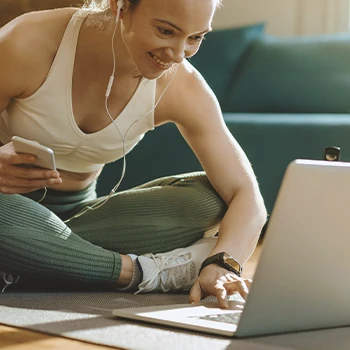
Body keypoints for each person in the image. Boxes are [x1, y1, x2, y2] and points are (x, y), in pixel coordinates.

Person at [0, 0, 267, 308]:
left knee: (210, 197)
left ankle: (24, 261)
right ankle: (143, 273)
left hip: (85, 220)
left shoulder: (182, 85)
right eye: (166, 31)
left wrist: (222, 263)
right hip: (7, 208)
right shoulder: (28, 42)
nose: (179, 55)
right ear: (121, 6)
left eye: (195, 37)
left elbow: (247, 195)